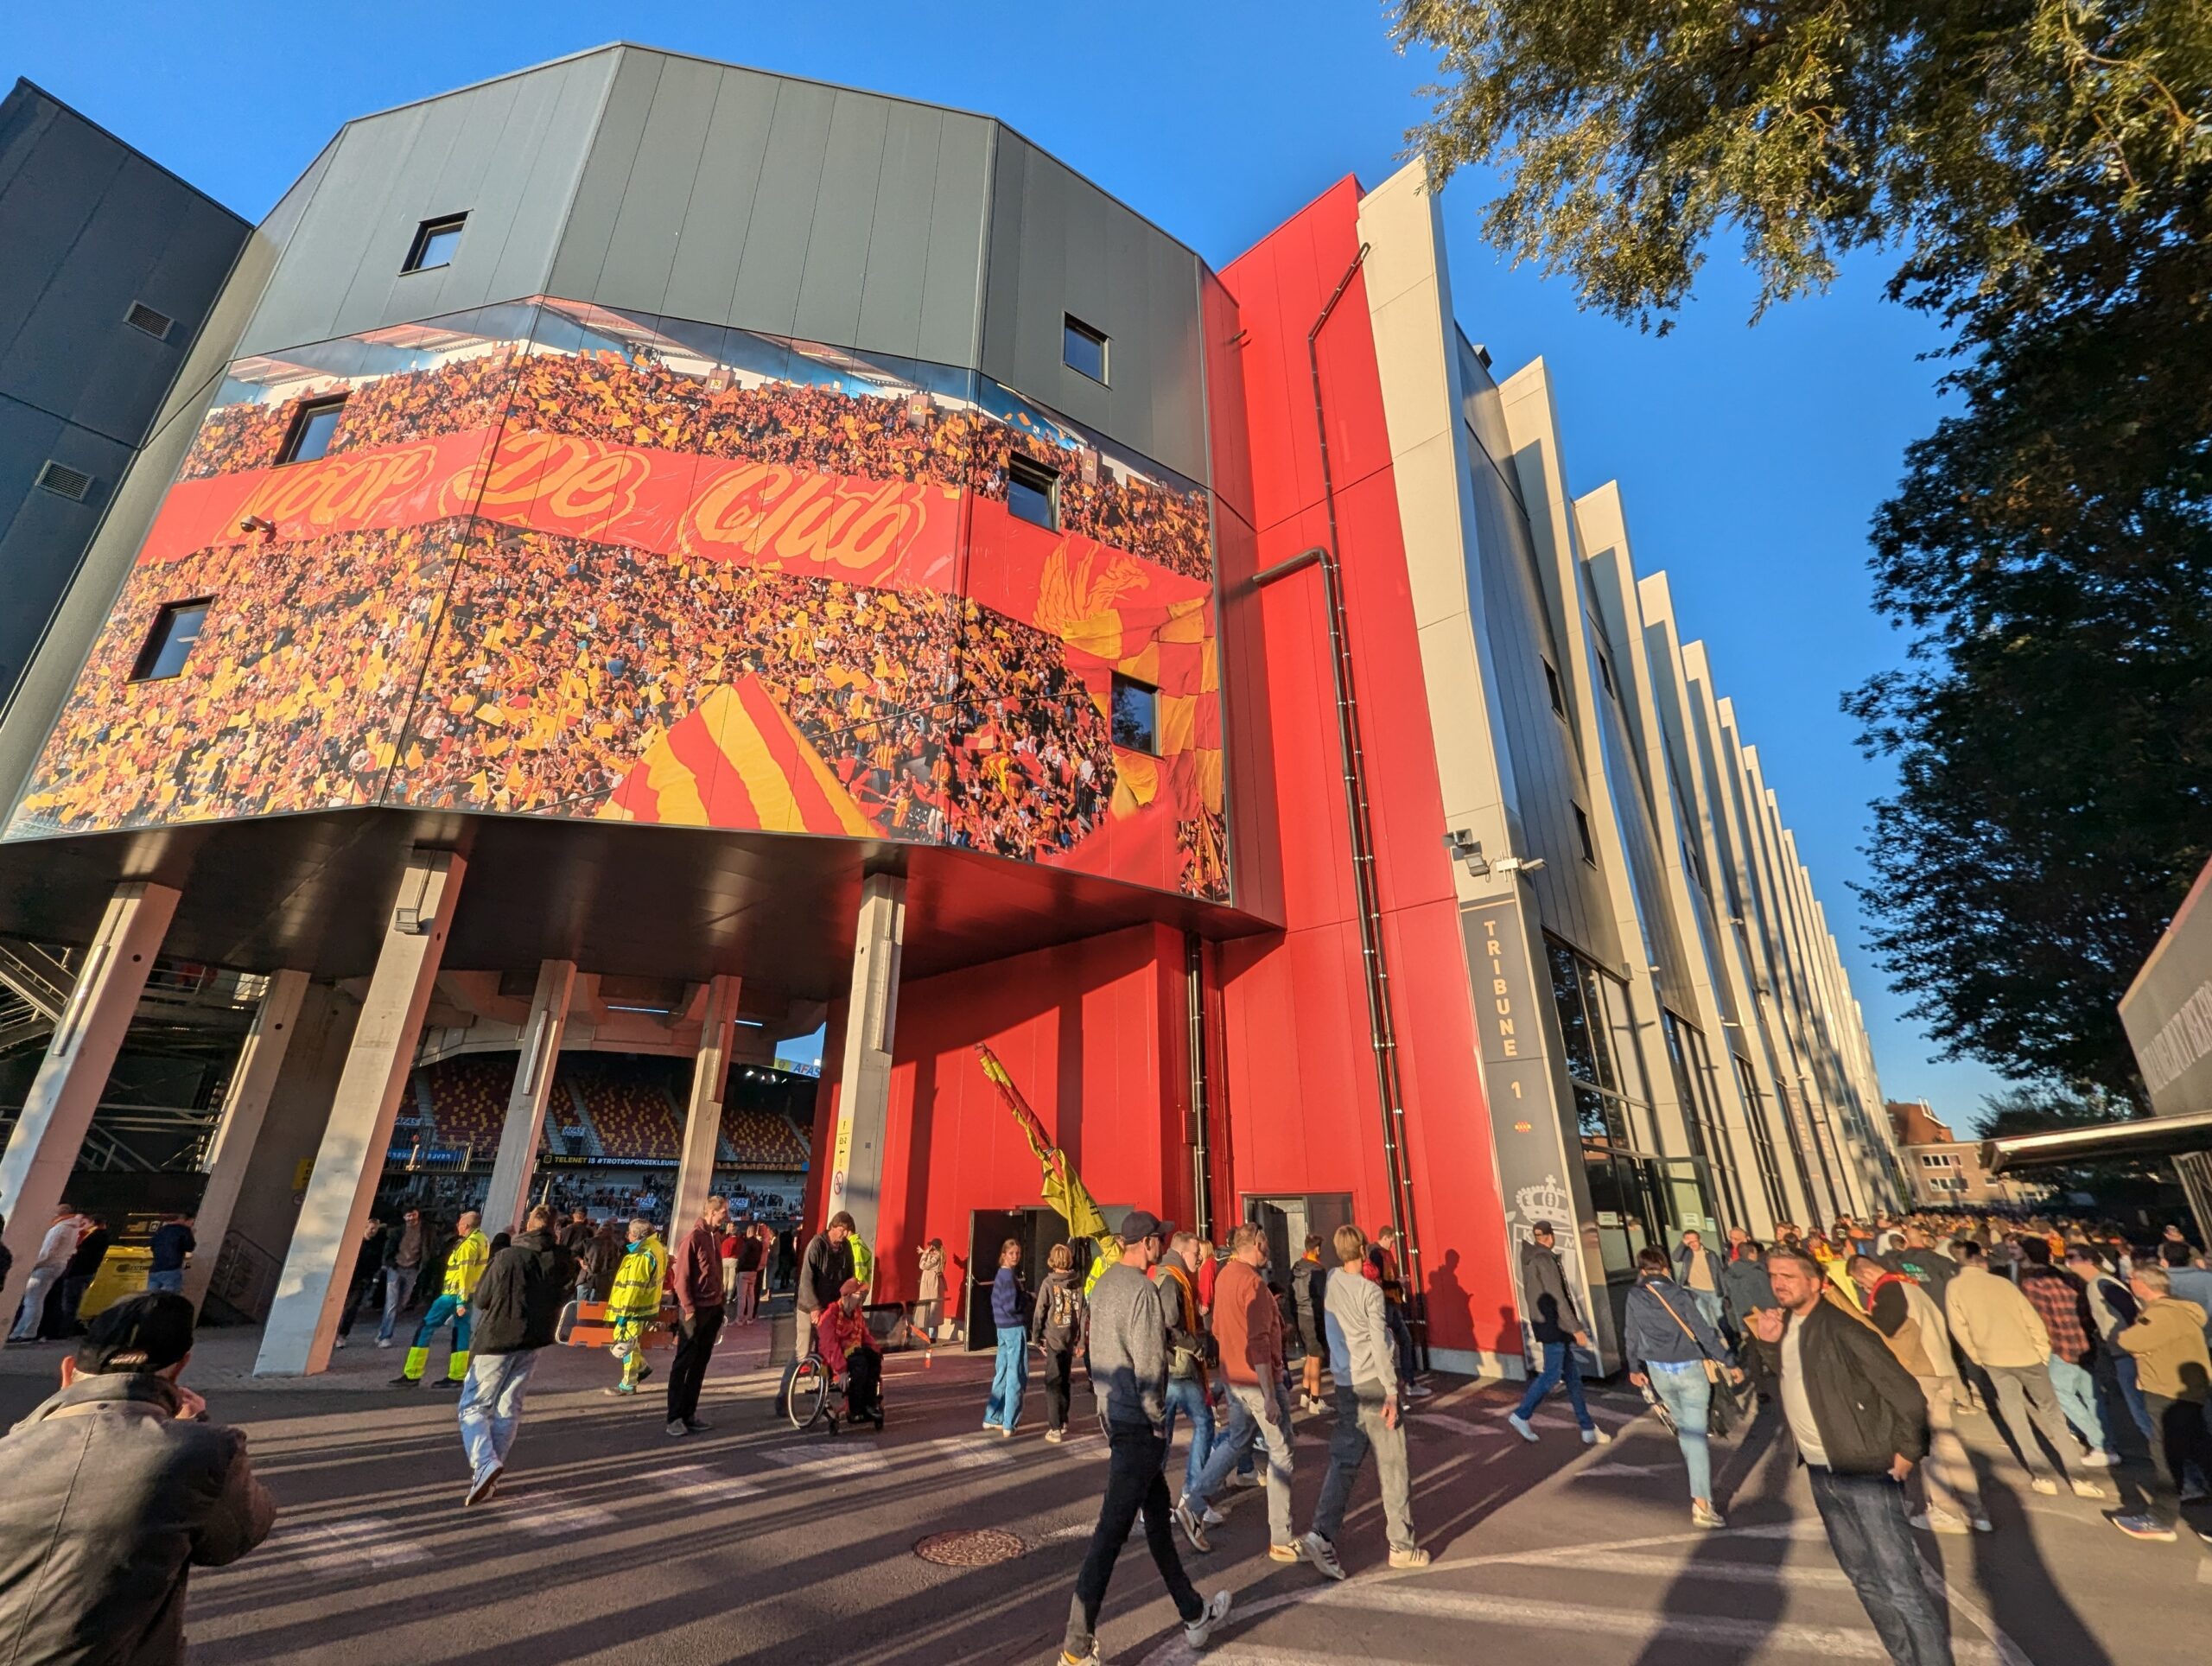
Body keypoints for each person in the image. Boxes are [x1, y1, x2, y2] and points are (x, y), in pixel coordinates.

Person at [0, 1292, 274, 1663]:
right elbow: (234, 1539)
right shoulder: (204, 1452)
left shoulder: (9, 1452)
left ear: (67, 1372)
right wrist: (193, 1428)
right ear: (180, 1371)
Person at [1748, 1250, 1954, 1666]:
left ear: (1816, 1282)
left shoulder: (1843, 1329)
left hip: (1864, 1468)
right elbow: (1792, 1380)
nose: (1779, 1283)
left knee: (1900, 1584)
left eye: (1789, 1276)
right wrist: (1769, 1347)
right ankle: (1904, 1657)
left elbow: (1906, 1394)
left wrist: (1908, 1451)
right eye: (1773, 1276)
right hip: (1822, 1471)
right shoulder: (1786, 1326)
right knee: (1862, 1576)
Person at [1056, 1211, 1230, 1666]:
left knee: (1158, 1525)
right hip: (1139, 1425)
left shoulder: (1103, 1287)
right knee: (1110, 1534)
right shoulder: (1144, 1293)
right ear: (1148, 1244)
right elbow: (1151, 1366)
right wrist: (1156, 1420)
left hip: (1112, 1415)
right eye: (1160, 1239)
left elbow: (1095, 1353)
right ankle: (1076, 1647)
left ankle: (1194, 1614)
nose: (1163, 1245)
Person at [1300, 1223, 1427, 1579]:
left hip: (1345, 1382)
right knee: (1393, 1465)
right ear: (1362, 1250)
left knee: (1343, 1461)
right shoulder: (1370, 1293)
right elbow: (1378, 1343)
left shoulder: (1332, 1284)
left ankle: (1321, 1533)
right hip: (1372, 1380)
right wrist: (1391, 1389)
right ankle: (1401, 1545)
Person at [1944, 1240, 2107, 1499]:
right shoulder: (2003, 1284)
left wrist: (1977, 1357)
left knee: (2016, 1416)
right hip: (2028, 1355)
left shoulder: (1954, 1287)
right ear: (1979, 1258)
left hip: (1993, 1358)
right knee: (2053, 1414)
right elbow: (2031, 1318)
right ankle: (2078, 1477)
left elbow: (1959, 1327)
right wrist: (2041, 1351)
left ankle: (2042, 1476)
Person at [1175, 1221, 1299, 1558]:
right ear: (1255, 1243)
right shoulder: (1255, 1286)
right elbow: (1258, 1342)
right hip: (1259, 1381)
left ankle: (1194, 1502)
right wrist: (1270, 1394)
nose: (1268, 1248)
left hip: (1233, 1377)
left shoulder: (1225, 1276)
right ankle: (1282, 1537)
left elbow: (1217, 1327)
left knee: (1237, 1440)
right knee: (1282, 1450)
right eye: (1264, 1242)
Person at [1849, 1255, 1989, 1535]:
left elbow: (1882, 1330)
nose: (1864, 1289)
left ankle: (1944, 1510)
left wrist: (1862, 1318)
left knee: (1924, 1445)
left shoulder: (1888, 1289)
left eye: (1859, 1283)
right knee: (1947, 1441)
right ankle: (1976, 1511)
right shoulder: (1911, 1286)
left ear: (1863, 1275)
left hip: (1920, 1373)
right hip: (1941, 1370)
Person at [457, 1205, 572, 1504]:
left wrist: (499, 1247)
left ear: (527, 1225)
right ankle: (487, 1475)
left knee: (473, 1406)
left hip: (497, 1338)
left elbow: (482, 1299)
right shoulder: (560, 1260)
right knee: (510, 1407)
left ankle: (484, 1463)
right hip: (533, 1339)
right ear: (554, 1228)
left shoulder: (508, 1257)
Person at [1624, 1245, 1741, 1527]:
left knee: (1685, 1432)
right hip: (1689, 1368)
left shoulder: (1634, 1296)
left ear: (1642, 1271)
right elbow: (1703, 1331)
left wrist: (1633, 1367)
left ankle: (1698, 1481)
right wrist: (1727, 1360)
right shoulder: (1679, 1294)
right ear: (1665, 1268)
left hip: (1658, 1371)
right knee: (1695, 1435)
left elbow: (1631, 1333)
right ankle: (1702, 1504)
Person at [2110, 1264, 2212, 1542]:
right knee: (2202, 1452)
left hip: (2167, 1394)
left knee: (2167, 1457)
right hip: (2186, 1393)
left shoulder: (2161, 1315)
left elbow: (2129, 1340)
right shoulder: (2182, 1310)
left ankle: (2160, 1520)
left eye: (2131, 1279)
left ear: (2143, 1284)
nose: (2129, 1283)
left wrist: (2140, 1344)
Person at [2015, 1237, 2120, 1466]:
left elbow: (2035, 1320)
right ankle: (2107, 1444)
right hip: (2085, 1342)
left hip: (2060, 1345)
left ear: (2027, 1256)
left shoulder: (2033, 1285)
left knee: (2061, 1392)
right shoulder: (2070, 1278)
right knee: (2092, 1394)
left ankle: (2098, 1441)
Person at [1508, 1222, 1608, 1446]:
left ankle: (1587, 1426)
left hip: (1548, 1325)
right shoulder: (1545, 1259)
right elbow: (1558, 1297)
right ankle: (1522, 1414)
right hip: (1556, 1327)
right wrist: (1576, 1328)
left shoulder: (1530, 1258)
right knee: (1552, 1375)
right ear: (1550, 1237)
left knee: (1573, 1378)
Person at [2068, 1243, 2154, 1447]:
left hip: (2128, 1352)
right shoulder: (2099, 1283)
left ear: (2089, 1261)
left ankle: (2170, 1461)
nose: (2068, 1262)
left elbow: (2129, 1311)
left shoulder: (2101, 1284)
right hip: (2122, 1351)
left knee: (2140, 1409)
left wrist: (2134, 1340)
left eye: (2073, 1257)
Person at [1154, 1231, 1217, 1514]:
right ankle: (1192, 1496)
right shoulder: (1172, 1280)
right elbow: (1170, 1326)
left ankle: (1153, 1505)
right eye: (1195, 1253)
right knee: (1204, 1423)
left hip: (1165, 1367)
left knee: (1162, 1437)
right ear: (1181, 1253)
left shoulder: (1164, 1275)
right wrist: (1195, 1346)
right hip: (1178, 1367)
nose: (1200, 1258)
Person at [393, 1211, 487, 1389]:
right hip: (468, 1294)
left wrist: (459, 1300)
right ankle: (457, 1374)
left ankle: (412, 1373)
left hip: (453, 1294)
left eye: (460, 1223)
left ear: (466, 1226)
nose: (457, 1225)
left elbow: (464, 1274)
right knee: (461, 1331)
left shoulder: (468, 1245)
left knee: (426, 1327)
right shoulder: (481, 1240)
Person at [666, 1194, 730, 1437]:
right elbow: (681, 1278)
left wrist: (720, 1302)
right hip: (695, 1310)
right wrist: (690, 1309)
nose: (727, 1217)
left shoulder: (715, 1237)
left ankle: (689, 1413)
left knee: (700, 1363)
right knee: (683, 1363)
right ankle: (674, 1417)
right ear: (712, 1212)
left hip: (713, 1308)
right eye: (724, 1213)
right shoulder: (693, 1239)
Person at [605, 1216, 666, 1396]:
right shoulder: (657, 1248)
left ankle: (628, 1383)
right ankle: (642, 1368)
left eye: (630, 1233)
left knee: (627, 1344)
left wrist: (624, 1314)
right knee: (632, 1343)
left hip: (634, 1309)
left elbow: (633, 1287)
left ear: (637, 1236)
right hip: (645, 1306)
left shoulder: (642, 1255)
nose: (627, 1236)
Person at [1033, 1241, 1087, 1443]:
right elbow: (1082, 1312)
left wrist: (1036, 1336)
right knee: (1065, 1379)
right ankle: (1064, 1420)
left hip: (1054, 1336)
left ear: (1052, 1261)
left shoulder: (1048, 1283)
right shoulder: (1077, 1282)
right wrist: (1081, 1340)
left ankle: (1054, 1427)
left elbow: (1040, 1311)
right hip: (1070, 1336)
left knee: (1052, 1382)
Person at [1363, 1226, 1426, 1396]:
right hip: (1384, 1303)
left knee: (1403, 1340)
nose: (1392, 1244)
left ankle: (1407, 1383)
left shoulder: (1383, 1253)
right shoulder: (1377, 1254)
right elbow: (1378, 1280)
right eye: (1391, 1240)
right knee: (1391, 1343)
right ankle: (1398, 1386)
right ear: (1385, 1237)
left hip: (1390, 1302)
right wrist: (1398, 1282)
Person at [817, 1276, 883, 1428]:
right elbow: (829, 1346)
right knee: (860, 1363)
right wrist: (841, 1370)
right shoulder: (830, 1315)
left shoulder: (857, 1313)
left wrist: (875, 1349)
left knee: (872, 1358)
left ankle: (869, 1404)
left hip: (854, 1351)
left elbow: (865, 1335)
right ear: (847, 1296)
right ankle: (855, 1409)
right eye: (860, 1296)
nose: (862, 1299)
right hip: (834, 1357)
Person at [9, 1207, 82, 1343]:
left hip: (45, 1267)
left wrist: (31, 1265)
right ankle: (24, 1331)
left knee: (32, 1301)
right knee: (36, 1300)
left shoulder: (59, 1229)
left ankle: (26, 1332)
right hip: (58, 1266)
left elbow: (46, 1253)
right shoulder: (73, 1229)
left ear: (59, 1214)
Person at [983, 1238, 1029, 1436]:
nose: (1015, 1257)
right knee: (1016, 1373)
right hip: (1013, 1327)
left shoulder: (1000, 1275)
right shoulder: (1009, 1276)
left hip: (1001, 1327)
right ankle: (1009, 1422)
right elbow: (1012, 1305)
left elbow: (999, 1303)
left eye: (1017, 1253)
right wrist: (1027, 1299)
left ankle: (992, 1416)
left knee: (1001, 1372)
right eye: (1012, 1253)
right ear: (1004, 1255)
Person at [796, 1212, 857, 1348]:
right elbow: (806, 1280)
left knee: (826, 1349)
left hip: (831, 1309)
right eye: (842, 1230)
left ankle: (820, 1369)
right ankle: (794, 1370)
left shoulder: (846, 1248)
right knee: (803, 1351)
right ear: (832, 1227)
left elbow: (850, 1275)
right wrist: (814, 1308)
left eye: (848, 1231)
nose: (845, 1234)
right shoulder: (816, 1245)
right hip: (809, 1308)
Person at [378, 1205, 429, 1347]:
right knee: (391, 1303)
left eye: (413, 1215)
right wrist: (389, 1263)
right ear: (404, 1217)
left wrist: (423, 1264)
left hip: (412, 1269)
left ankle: (383, 1329)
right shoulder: (398, 1231)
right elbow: (389, 1247)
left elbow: (428, 1247)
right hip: (396, 1268)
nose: (411, 1218)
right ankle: (385, 1336)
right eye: (408, 1216)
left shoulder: (425, 1230)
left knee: (403, 1302)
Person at [1289, 1233, 1329, 1413]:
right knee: (1316, 1357)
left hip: (1299, 1314)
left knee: (1308, 1354)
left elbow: (1291, 1293)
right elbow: (1322, 1297)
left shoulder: (1296, 1267)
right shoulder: (1318, 1270)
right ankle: (1315, 1399)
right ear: (1317, 1249)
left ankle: (1305, 1394)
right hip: (1313, 1315)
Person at [1673, 1229, 1729, 1336]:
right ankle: (1715, 1344)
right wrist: (1683, 1244)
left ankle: (1732, 1342)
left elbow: (1719, 1274)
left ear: (1700, 1240)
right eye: (1689, 1242)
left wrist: (1725, 1292)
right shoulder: (1687, 1254)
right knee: (1706, 1321)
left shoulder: (1710, 1254)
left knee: (1721, 1318)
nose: (1693, 1244)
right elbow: (1675, 1257)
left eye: (1695, 1241)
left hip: (1713, 1291)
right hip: (1696, 1291)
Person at [59, 1215, 109, 1332]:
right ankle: (68, 1326)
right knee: (74, 1300)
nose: (82, 1225)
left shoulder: (92, 1236)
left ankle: (65, 1328)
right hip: (89, 1272)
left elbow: (79, 1252)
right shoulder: (103, 1236)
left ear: (92, 1223)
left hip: (78, 1272)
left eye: (84, 1222)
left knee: (69, 1301)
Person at [145, 1215, 196, 1295]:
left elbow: (152, 1245)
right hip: (172, 1269)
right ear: (186, 1220)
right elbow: (190, 1247)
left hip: (155, 1269)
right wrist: (191, 1234)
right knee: (170, 1299)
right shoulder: (184, 1230)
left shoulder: (161, 1230)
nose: (192, 1225)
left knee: (150, 1298)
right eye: (192, 1223)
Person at [914, 1237, 946, 1339]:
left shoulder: (936, 1256)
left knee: (932, 1310)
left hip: (931, 1284)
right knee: (930, 1309)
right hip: (931, 1283)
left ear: (933, 1247)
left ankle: (931, 1337)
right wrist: (925, 1252)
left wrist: (924, 1254)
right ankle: (930, 1335)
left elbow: (923, 1265)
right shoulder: (939, 1255)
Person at [735, 1222, 766, 1325]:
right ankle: (749, 1317)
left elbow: (743, 1257)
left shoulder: (747, 1243)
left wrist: (738, 1269)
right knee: (751, 1295)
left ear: (749, 1232)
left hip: (744, 1271)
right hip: (754, 1271)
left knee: (741, 1296)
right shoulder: (759, 1244)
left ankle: (740, 1318)